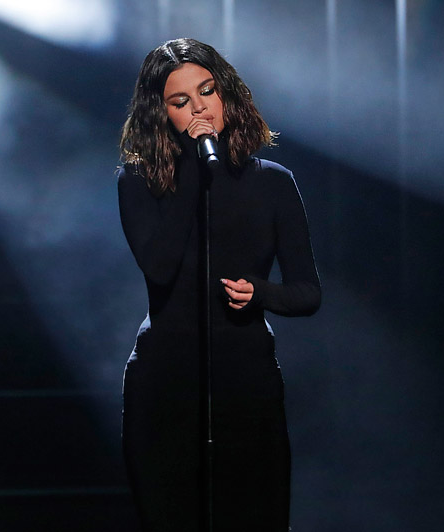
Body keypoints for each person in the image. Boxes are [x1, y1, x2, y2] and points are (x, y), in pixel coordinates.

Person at [117, 38, 321, 531]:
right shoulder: (139, 182)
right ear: (161, 114)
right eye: (180, 101)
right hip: (166, 385)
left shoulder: (273, 182)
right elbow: (159, 267)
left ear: (226, 91)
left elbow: (307, 292)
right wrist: (193, 167)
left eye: (206, 91)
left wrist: (260, 292)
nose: (200, 108)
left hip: (246, 383)